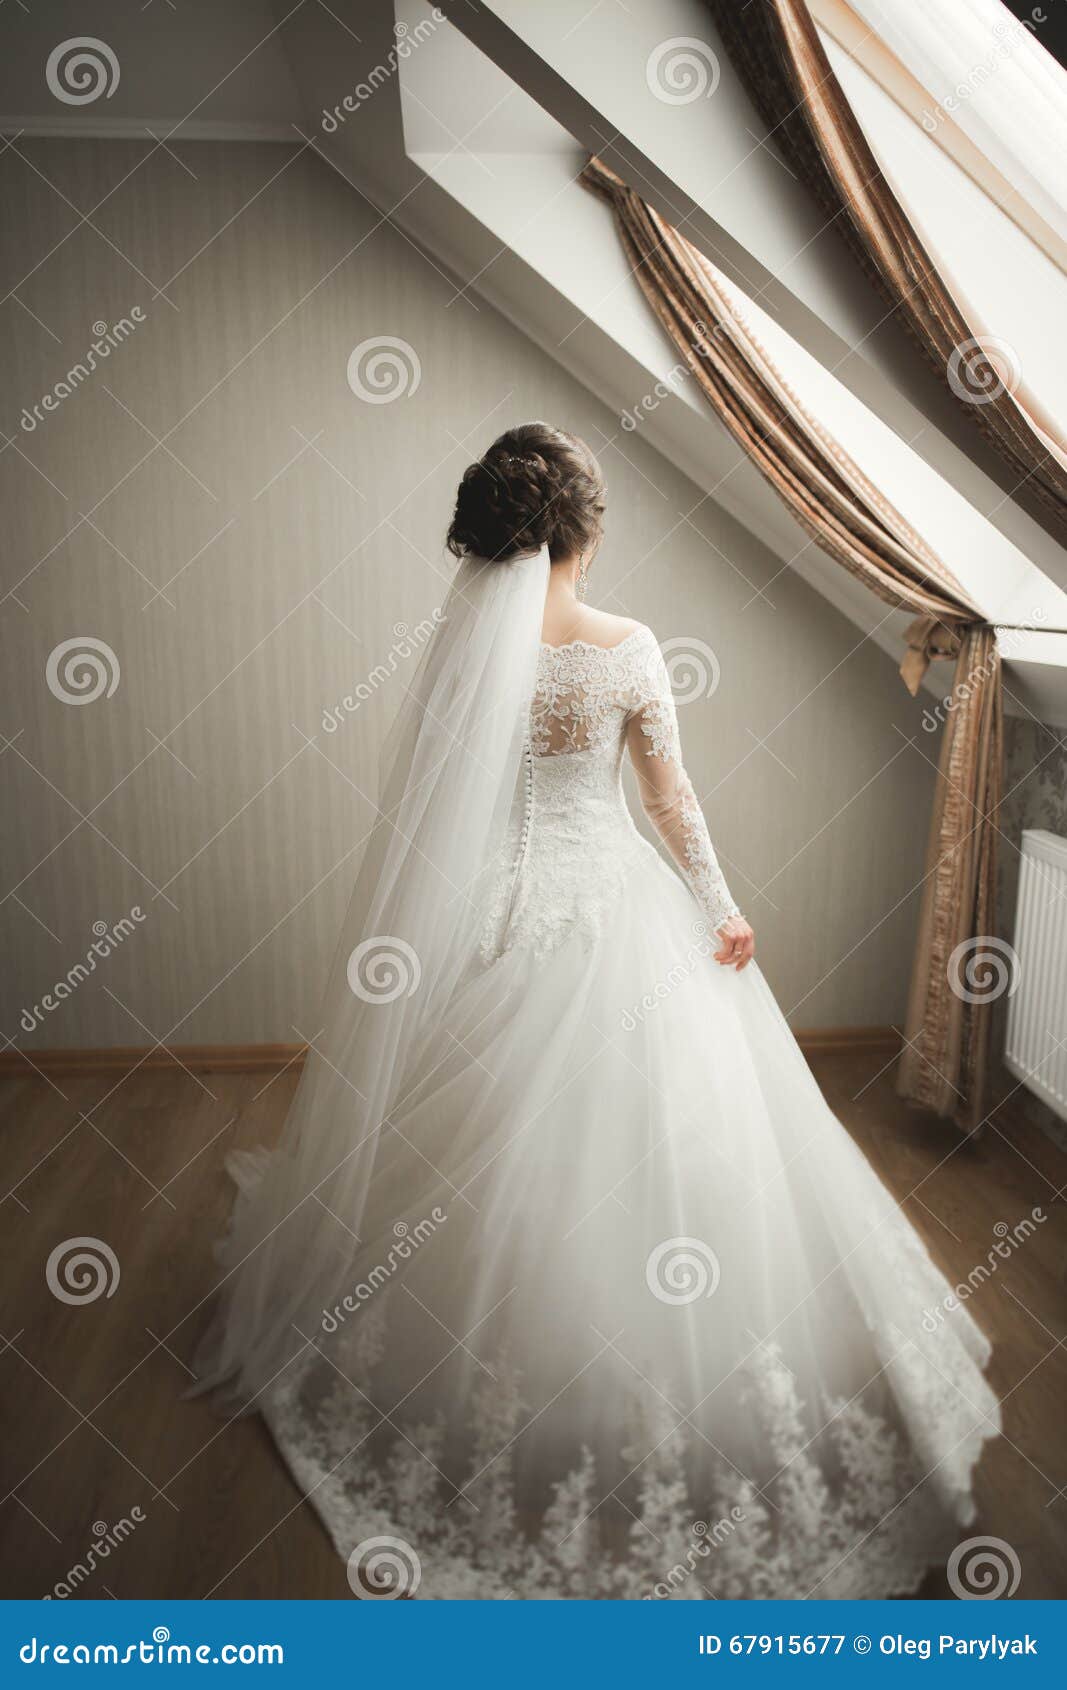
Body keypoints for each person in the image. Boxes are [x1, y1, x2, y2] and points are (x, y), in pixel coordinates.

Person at [195, 422, 999, 1600]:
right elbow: (667, 801)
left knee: (478, 1156)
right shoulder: (626, 647)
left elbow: (432, 814)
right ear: (583, 528)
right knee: (683, 1151)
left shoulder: (467, 648)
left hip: (490, 924)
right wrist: (721, 908)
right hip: (616, 904)